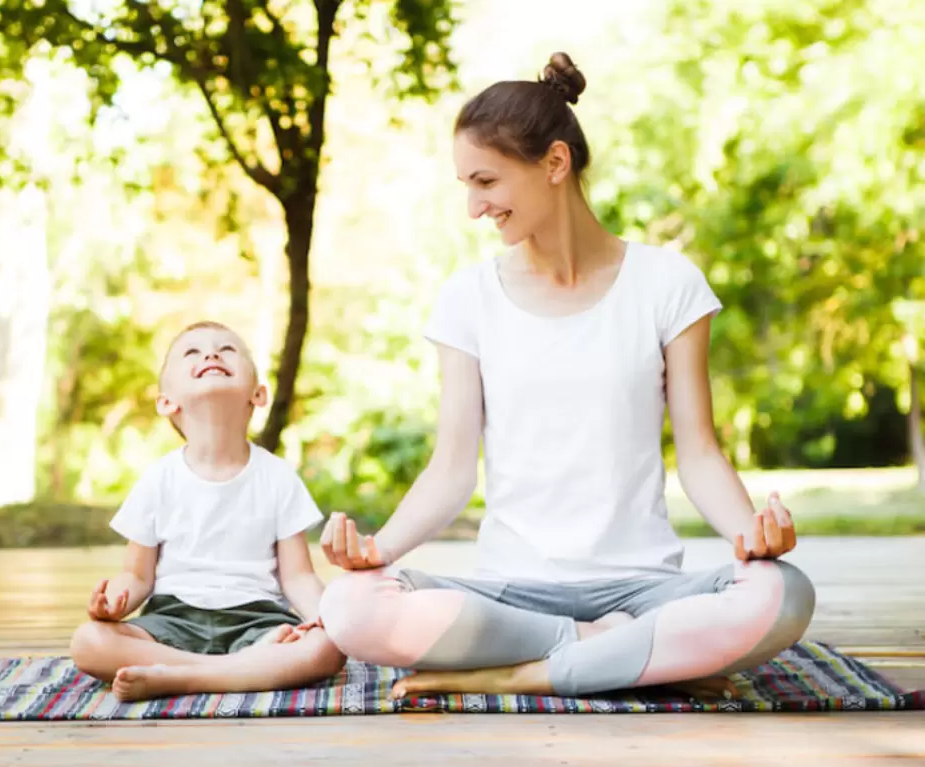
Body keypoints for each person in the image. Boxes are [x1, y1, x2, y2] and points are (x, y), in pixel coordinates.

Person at [314, 52, 815, 701]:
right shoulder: (468, 298)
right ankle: (605, 650)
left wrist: (750, 533)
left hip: (643, 587)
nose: (473, 207)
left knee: (783, 592)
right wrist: (379, 551)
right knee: (352, 605)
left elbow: (699, 452)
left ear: (555, 163)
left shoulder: (667, 284)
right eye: (466, 185)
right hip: (511, 591)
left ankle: (526, 672)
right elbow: (451, 469)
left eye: (486, 181)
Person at [70, 321, 345, 701]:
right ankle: (238, 673)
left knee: (326, 648)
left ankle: (181, 678)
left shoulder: (277, 476)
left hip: (260, 621)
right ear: (167, 401)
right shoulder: (158, 479)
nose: (212, 355)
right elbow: (136, 575)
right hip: (172, 621)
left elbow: (298, 576)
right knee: (89, 641)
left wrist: (327, 617)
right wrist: (112, 604)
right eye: (192, 352)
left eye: (227, 350)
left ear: (258, 394)